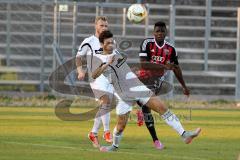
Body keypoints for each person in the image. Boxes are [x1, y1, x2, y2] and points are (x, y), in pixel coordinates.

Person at [91, 30, 201, 152]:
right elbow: (94, 74)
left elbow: (121, 69)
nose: (111, 44)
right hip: (124, 95)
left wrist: (132, 71)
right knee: (121, 126)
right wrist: (106, 64)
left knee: (162, 108)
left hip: (138, 87)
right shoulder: (99, 58)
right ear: (102, 44)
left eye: (112, 42)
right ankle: (114, 146)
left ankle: (184, 134)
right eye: (108, 43)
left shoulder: (115, 51)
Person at [136, 21, 190, 150]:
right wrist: (164, 66)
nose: (160, 33)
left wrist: (184, 86)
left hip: (157, 80)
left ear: (166, 33)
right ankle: (156, 140)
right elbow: (143, 64)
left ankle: (155, 139)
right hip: (143, 78)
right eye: (157, 31)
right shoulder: (147, 43)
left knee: (146, 105)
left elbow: (176, 68)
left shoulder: (171, 49)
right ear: (153, 33)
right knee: (145, 106)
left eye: (162, 31)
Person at [75, 16, 113, 147]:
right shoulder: (89, 41)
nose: (104, 28)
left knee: (105, 106)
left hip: (109, 77)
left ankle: (93, 132)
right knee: (106, 101)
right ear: (95, 26)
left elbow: (115, 58)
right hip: (95, 77)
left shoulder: (110, 41)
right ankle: (107, 132)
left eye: (106, 26)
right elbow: (78, 57)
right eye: (101, 25)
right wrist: (80, 71)